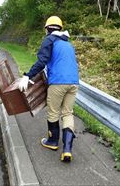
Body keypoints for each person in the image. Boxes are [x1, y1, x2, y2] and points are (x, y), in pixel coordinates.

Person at [18, 16, 79, 162]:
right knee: (68, 113)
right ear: (60, 28)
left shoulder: (49, 40)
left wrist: (28, 76)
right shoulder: (68, 43)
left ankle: (52, 142)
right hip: (74, 82)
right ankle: (67, 150)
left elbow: (42, 61)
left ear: (47, 29)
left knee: (53, 112)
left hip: (58, 82)